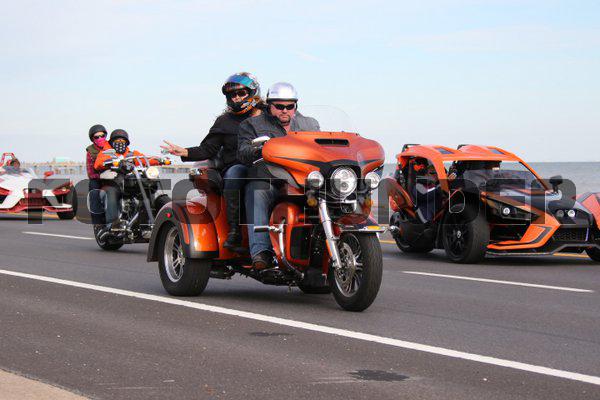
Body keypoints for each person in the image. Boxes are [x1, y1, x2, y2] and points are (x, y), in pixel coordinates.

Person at [161, 72, 264, 251]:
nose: (236, 97)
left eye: (241, 93)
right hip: (238, 165)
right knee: (235, 174)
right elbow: (208, 148)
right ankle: (235, 231)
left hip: (269, 165)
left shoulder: (270, 115)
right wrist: (184, 151)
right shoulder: (224, 121)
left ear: (253, 92)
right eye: (232, 94)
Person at [238, 82, 320, 269]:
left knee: (336, 192)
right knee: (257, 192)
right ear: (269, 105)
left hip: (303, 180)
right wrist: (259, 149)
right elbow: (242, 152)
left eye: (290, 106)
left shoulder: (309, 124)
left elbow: (321, 147)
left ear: (295, 106)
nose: (285, 110)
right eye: (279, 106)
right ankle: (261, 252)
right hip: (270, 178)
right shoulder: (252, 125)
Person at [94, 129, 159, 229]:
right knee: (111, 192)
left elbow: (144, 159)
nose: (120, 142)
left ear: (126, 142)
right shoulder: (106, 153)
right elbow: (98, 163)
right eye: (117, 140)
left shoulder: (132, 154)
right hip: (112, 183)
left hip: (128, 183)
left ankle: (145, 222)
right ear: (112, 142)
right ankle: (112, 225)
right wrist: (111, 161)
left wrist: (160, 160)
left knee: (148, 188)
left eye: (122, 140)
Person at [86, 124, 109, 226]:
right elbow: (90, 172)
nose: (100, 138)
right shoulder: (90, 151)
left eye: (102, 136)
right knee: (94, 191)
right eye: (97, 137)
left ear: (105, 136)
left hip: (114, 176)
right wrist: (101, 176)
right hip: (98, 178)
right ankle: (97, 223)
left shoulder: (111, 146)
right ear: (93, 139)